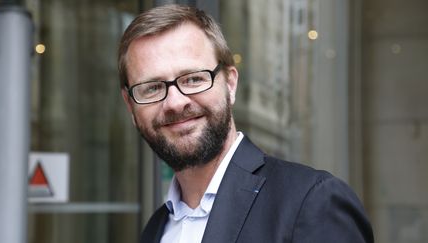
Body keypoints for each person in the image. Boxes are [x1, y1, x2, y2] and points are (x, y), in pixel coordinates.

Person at [118, 4, 374, 243]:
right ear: (131, 106)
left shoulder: (312, 202)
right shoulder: (155, 230)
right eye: (151, 88)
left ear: (230, 84)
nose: (175, 102)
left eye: (193, 79)